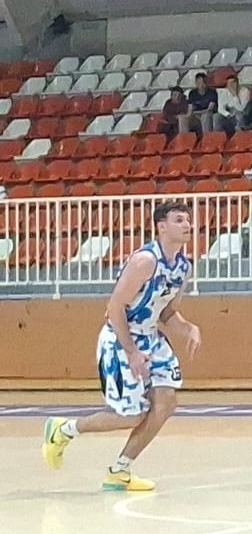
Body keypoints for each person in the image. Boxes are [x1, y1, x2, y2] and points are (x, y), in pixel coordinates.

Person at [42, 202, 200, 491]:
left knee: (166, 402)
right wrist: (131, 352)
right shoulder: (144, 261)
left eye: (188, 220)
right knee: (132, 415)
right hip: (120, 338)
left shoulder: (183, 267)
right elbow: (115, 307)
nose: (187, 225)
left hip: (151, 339)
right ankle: (63, 429)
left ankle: (120, 469)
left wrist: (188, 328)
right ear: (162, 226)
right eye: (179, 220)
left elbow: (166, 313)